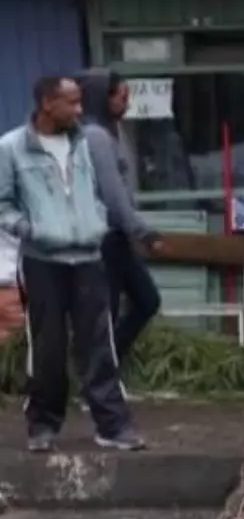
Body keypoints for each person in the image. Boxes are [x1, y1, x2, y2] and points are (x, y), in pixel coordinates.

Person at [0, 75, 145, 452]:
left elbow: (104, 191)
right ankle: (43, 426)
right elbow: (2, 203)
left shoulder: (87, 143)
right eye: (72, 102)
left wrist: (96, 221)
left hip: (88, 257)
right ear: (48, 103)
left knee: (99, 343)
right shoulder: (12, 148)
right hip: (41, 260)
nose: (80, 110)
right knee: (48, 347)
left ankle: (113, 426)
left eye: (80, 101)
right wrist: (30, 229)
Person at [78, 69, 163, 370]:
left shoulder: (111, 131)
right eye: (121, 97)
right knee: (108, 313)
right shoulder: (96, 136)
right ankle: (99, 382)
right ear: (103, 97)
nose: (126, 104)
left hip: (118, 237)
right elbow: (113, 195)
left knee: (147, 300)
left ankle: (106, 370)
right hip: (105, 238)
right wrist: (141, 231)